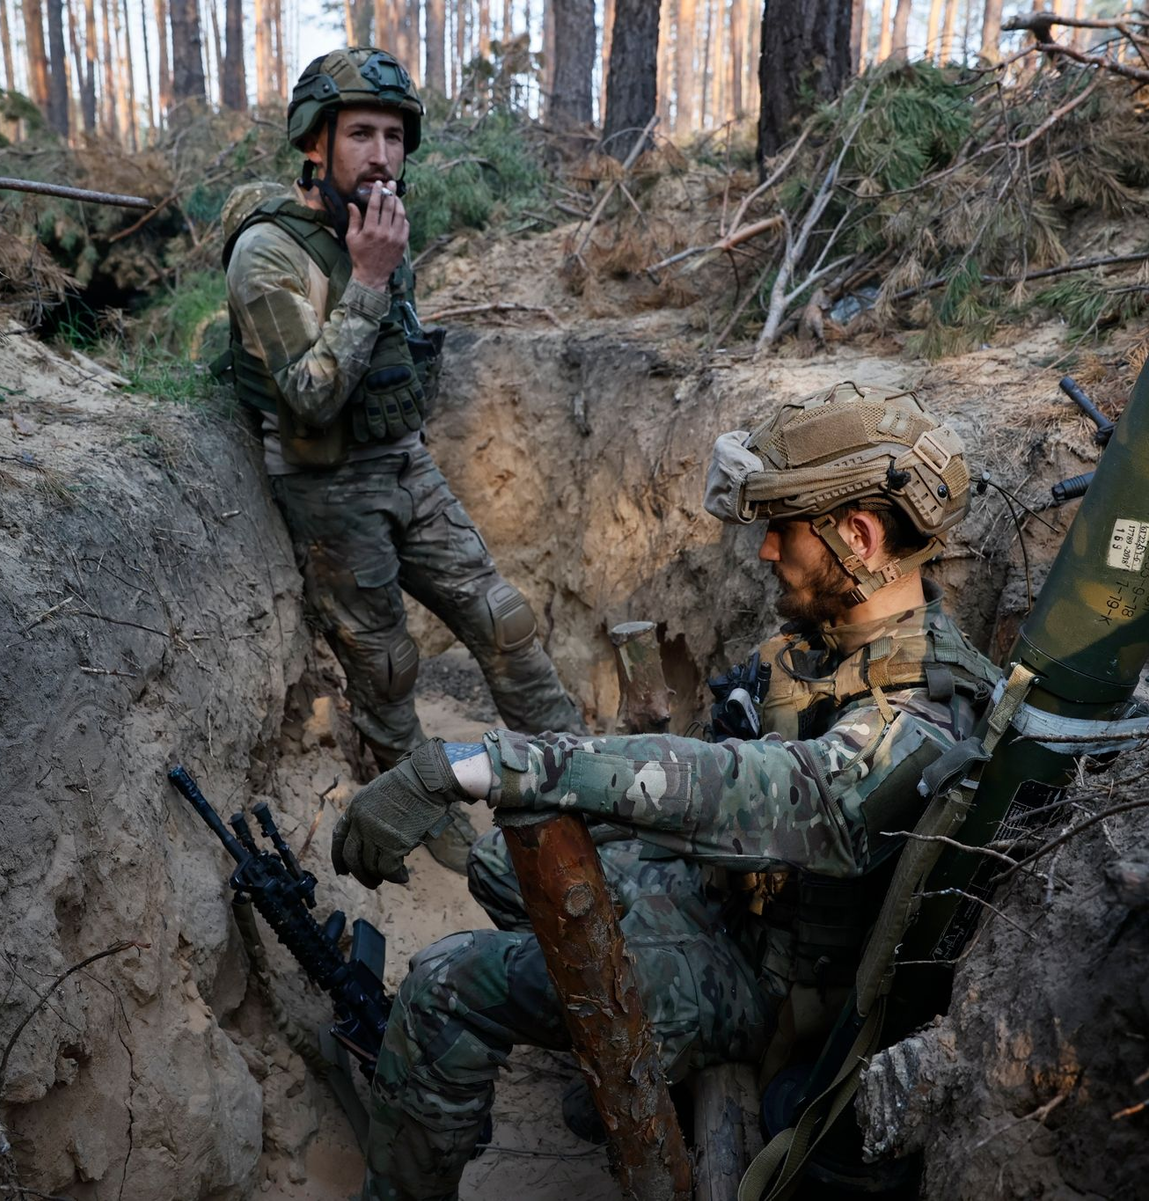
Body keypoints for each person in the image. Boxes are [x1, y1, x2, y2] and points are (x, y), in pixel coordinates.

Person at [331, 383, 1000, 1200]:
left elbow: (753, 787)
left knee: (443, 983)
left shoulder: (922, 716)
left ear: (856, 537)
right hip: (731, 912)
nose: (763, 552)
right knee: (496, 863)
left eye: (780, 530)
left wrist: (477, 763)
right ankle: (593, 1057)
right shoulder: (837, 645)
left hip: (770, 994)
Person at [220, 47, 581, 874]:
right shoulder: (270, 254)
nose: (382, 154)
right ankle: (431, 842)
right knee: (386, 673)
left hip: (404, 464)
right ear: (317, 143)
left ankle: (585, 776)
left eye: (394, 135)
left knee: (504, 621)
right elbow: (309, 395)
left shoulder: (374, 226)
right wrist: (372, 277)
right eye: (361, 134)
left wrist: (380, 270)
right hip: (327, 487)